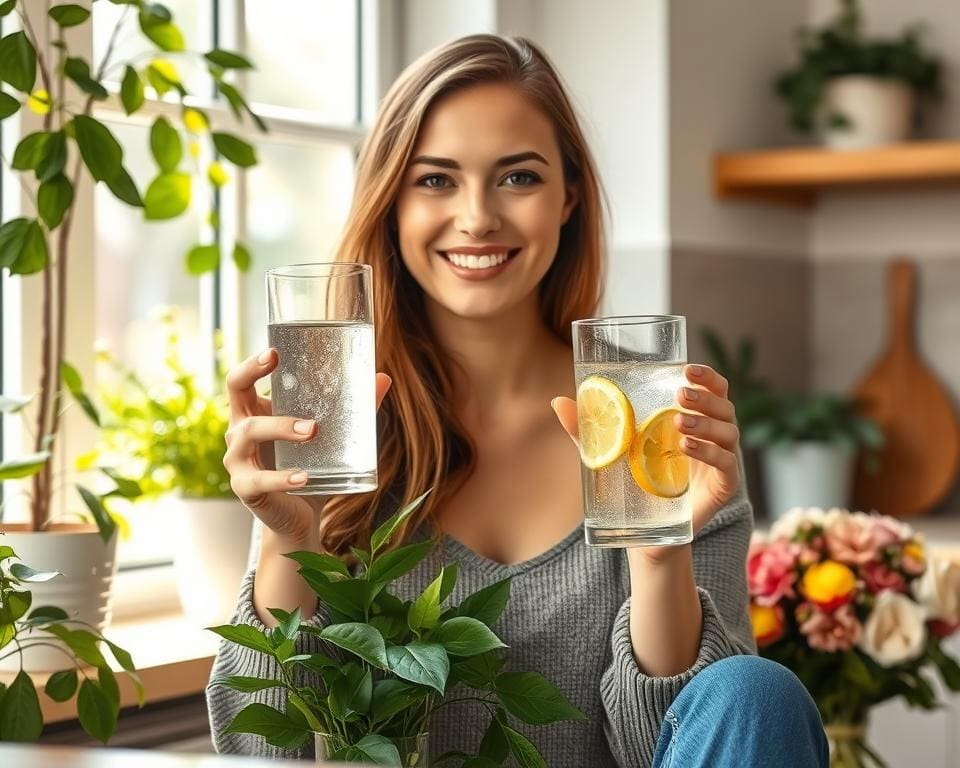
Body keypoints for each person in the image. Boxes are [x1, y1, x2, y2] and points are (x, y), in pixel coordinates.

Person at [208, 34, 828, 768]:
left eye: (518, 178)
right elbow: (257, 751)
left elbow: (679, 746)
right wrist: (291, 539)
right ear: (392, 204)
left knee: (755, 692)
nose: (477, 218)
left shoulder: (658, 430)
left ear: (569, 195)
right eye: (435, 180)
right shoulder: (331, 430)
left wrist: (660, 555)